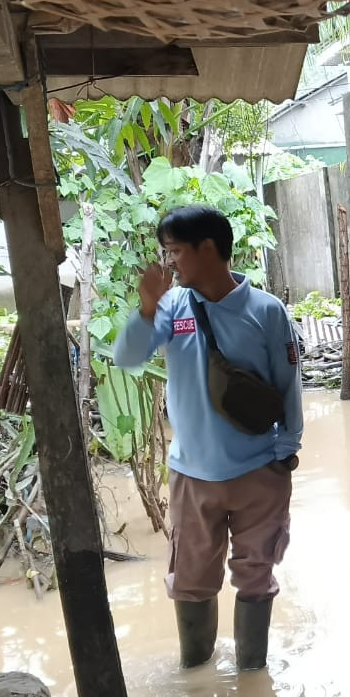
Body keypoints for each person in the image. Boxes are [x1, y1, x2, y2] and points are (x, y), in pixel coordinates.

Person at [113, 204, 303, 671]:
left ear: (209, 249)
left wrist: (285, 451)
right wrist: (146, 307)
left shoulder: (266, 311)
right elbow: (127, 356)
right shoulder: (173, 308)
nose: (169, 261)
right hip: (192, 475)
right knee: (191, 580)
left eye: (175, 251)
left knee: (256, 577)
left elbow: (289, 385)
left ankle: (251, 680)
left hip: (260, 472)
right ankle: (196, 680)